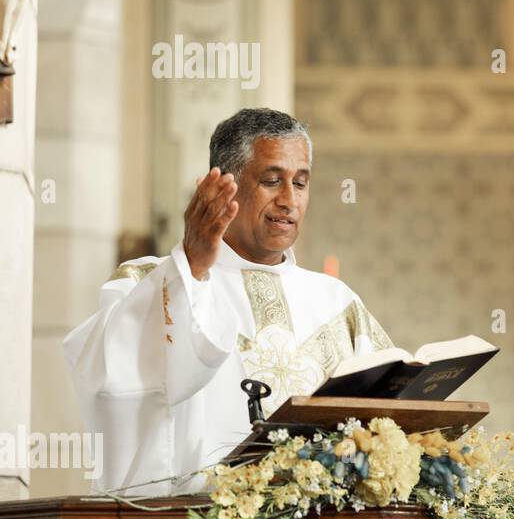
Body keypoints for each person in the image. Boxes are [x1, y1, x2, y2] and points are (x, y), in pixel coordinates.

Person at [64, 108, 392, 496]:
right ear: (224, 188)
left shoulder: (337, 302)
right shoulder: (153, 280)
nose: (289, 200)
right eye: (272, 181)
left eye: (300, 184)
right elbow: (109, 381)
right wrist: (192, 266)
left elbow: (391, 416)